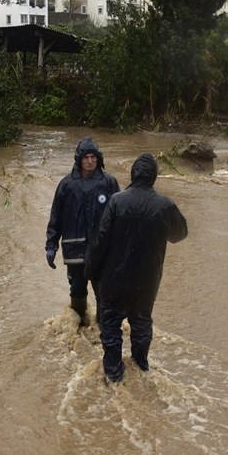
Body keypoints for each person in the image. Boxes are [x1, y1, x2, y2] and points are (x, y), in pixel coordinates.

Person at [85, 152, 188, 383]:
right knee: (141, 323)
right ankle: (141, 367)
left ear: (133, 174)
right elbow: (180, 234)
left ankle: (113, 372)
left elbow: (100, 240)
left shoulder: (116, 201)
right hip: (146, 281)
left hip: (114, 279)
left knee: (110, 325)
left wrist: (91, 270)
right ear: (154, 177)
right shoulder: (165, 206)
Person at [45, 136, 120, 326]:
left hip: (101, 252)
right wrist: (51, 245)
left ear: (98, 158)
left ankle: (104, 329)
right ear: (79, 159)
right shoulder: (66, 185)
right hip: (75, 252)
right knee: (77, 290)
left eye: (93, 157)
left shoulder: (109, 183)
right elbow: (56, 217)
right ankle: (79, 327)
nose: (90, 161)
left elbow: (120, 217)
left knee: (103, 292)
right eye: (86, 157)